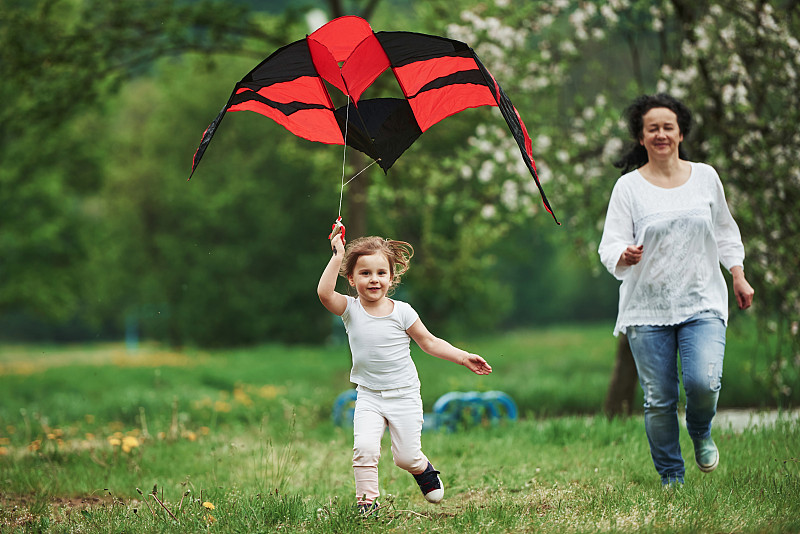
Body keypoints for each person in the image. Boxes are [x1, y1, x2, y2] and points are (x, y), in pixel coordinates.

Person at [597, 93, 754, 487]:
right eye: (653, 128)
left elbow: (724, 232)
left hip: (701, 298)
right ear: (641, 137)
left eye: (668, 127)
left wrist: (737, 273)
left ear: (680, 133)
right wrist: (623, 253)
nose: (661, 134)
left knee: (703, 382)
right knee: (659, 398)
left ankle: (700, 430)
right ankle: (672, 476)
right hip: (646, 307)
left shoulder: (705, 177)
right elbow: (609, 243)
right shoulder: (628, 188)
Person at [317, 222, 492, 512]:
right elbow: (325, 294)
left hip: (404, 395)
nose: (374, 279)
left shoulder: (402, 312)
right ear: (351, 278)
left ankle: (422, 469)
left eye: (381, 273)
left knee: (405, 458)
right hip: (369, 395)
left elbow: (430, 342)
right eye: (365, 273)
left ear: (391, 276)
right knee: (365, 448)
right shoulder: (350, 309)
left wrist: (463, 356)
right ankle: (367, 502)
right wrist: (337, 255)